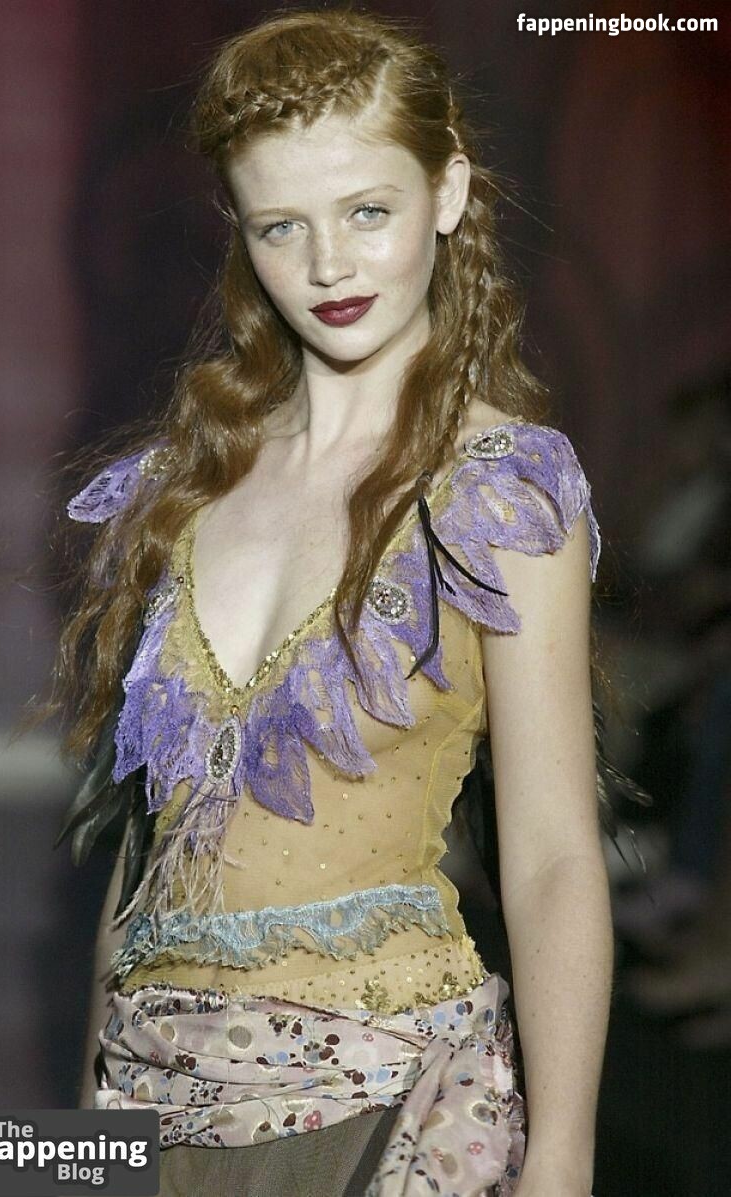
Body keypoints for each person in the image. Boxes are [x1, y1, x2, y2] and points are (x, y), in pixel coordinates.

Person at [54, 9, 613, 1196]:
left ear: (445, 193)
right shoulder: (178, 486)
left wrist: (561, 1162)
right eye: (281, 226)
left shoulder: (503, 493)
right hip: (153, 1096)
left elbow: (554, 854)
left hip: (389, 1101)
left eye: (366, 211)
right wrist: (75, 1154)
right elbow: (140, 857)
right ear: (238, 230)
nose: (327, 267)